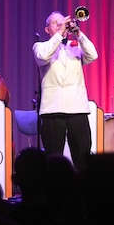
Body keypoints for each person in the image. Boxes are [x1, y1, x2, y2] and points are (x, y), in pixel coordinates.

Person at [33, 11, 98, 171]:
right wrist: (59, 34)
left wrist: (79, 34)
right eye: (56, 23)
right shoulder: (40, 46)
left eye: (62, 22)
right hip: (52, 109)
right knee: (53, 159)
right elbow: (42, 56)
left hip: (77, 108)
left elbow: (93, 55)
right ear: (47, 29)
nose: (61, 25)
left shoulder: (74, 47)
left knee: (83, 156)